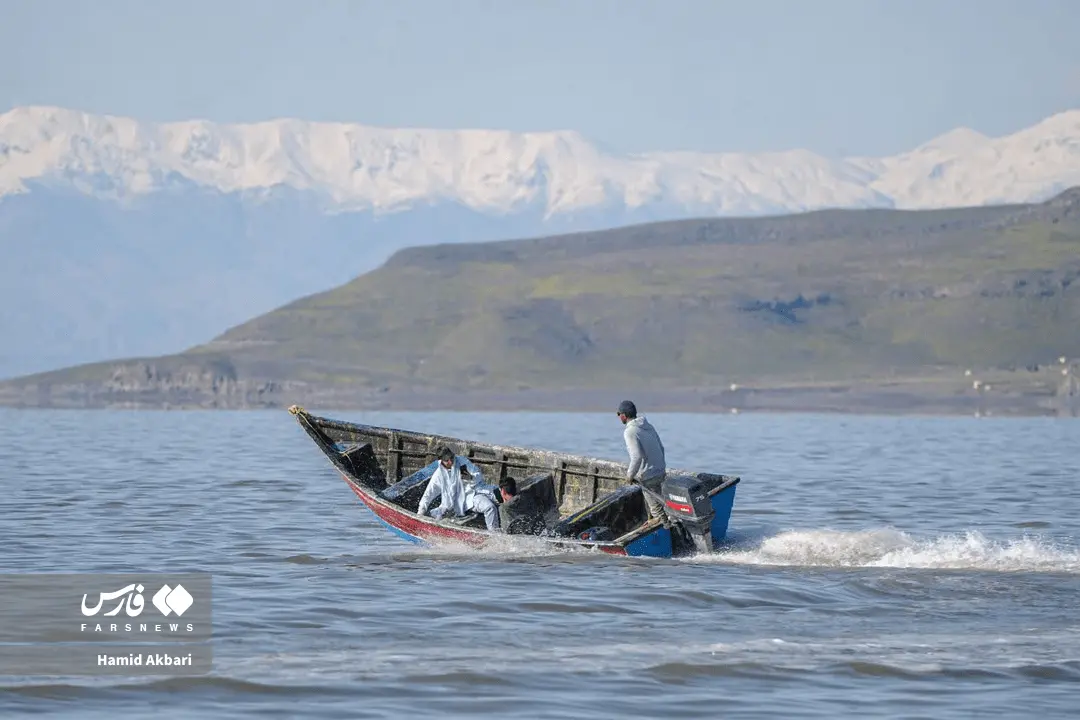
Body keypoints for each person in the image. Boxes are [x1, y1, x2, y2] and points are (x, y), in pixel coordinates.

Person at [416, 446, 501, 531]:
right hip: (467, 499)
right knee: (490, 507)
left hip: (477, 490)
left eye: (451, 458)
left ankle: (499, 530)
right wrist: (420, 512)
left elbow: (478, 474)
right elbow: (429, 493)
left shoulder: (462, 461)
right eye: (446, 460)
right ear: (441, 460)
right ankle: (494, 534)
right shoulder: (439, 475)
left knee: (502, 496)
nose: (450, 461)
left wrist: (470, 478)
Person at [616, 400, 669, 525]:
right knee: (661, 505)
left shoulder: (629, 432)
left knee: (657, 512)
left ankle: (668, 534)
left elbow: (636, 457)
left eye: (618, 414)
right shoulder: (648, 426)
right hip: (660, 471)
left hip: (648, 476)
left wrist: (629, 476)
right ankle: (661, 525)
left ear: (623, 415)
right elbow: (661, 448)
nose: (618, 417)